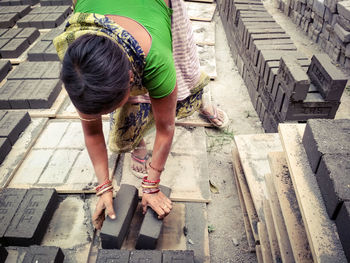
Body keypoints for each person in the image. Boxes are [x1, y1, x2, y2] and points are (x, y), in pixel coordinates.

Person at [54, 0, 228, 230]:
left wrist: (152, 184)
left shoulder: (157, 60)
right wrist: (104, 188)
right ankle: (138, 139)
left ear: (130, 78)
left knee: (183, 75)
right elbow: (92, 131)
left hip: (151, 15)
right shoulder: (78, 63)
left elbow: (166, 129)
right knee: (127, 109)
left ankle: (198, 96)